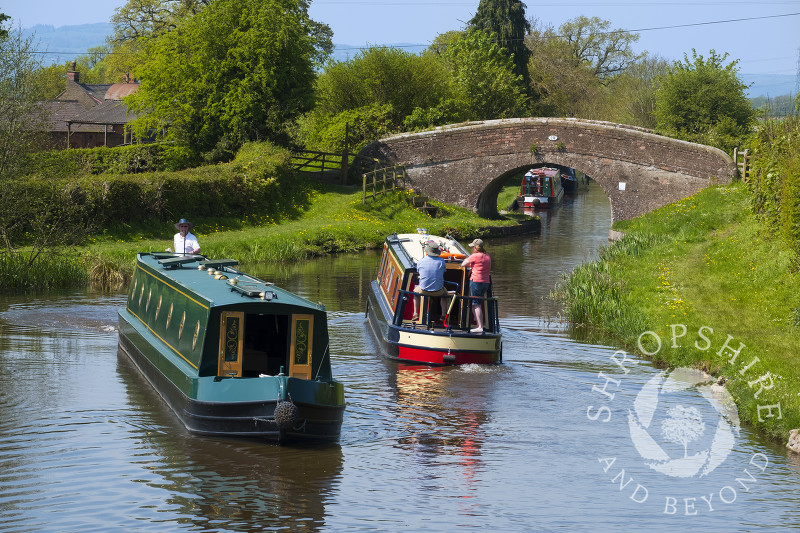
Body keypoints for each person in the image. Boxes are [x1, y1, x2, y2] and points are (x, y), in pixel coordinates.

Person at [412, 242, 449, 322]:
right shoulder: (442, 261)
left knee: (415, 292)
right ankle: (443, 315)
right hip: (438, 291)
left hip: (423, 291)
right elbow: (443, 272)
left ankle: (415, 313)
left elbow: (419, 272)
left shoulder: (420, 261)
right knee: (445, 294)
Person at [461, 238, 491, 333]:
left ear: (476, 247)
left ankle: (480, 326)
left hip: (476, 281)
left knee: (476, 303)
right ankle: (478, 324)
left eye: (473, 247)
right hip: (485, 282)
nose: (472, 248)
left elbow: (463, 264)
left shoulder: (475, 256)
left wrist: (468, 260)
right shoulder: (487, 256)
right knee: (475, 303)